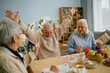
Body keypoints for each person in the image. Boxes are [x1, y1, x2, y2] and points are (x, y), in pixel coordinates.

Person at [5, 7, 77, 59]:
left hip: (57, 60)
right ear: (42, 31)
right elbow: (27, 30)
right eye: (46, 33)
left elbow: (63, 25)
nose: (49, 35)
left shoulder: (55, 35)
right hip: (44, 62)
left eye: (50, 32)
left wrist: (70, 15)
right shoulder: (38, 37)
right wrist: (18, 21)